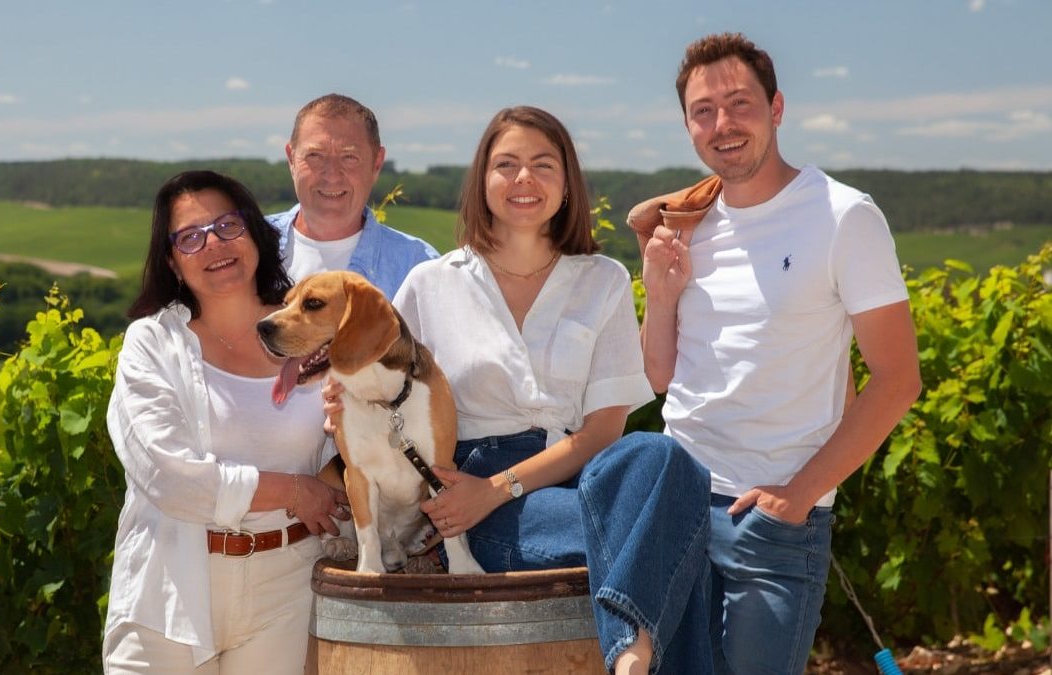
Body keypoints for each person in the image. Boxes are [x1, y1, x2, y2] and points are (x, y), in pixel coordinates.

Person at [389, 106, 713, 674]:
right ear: (481, 181)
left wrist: (500, 487)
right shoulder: (431, 285)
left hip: (579, 471)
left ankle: (628, 654)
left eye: (543, 164)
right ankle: (635, 654)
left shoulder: (602, 278)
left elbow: (604, 431)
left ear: (567, 186)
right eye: (506, 164)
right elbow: (386, 396)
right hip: (472, 488)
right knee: (677, 537)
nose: (524, 179)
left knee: (664, 457)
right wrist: (478, 493)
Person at [638, 33, 922, 673]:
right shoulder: (687, 222)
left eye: (740, 103)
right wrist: (660, 294)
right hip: (676, 503)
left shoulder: (843, 217)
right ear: (687, 125)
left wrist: (799, 497)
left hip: (771, 522)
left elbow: (899, 378)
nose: (723, 124)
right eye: (703, 111)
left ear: (777, 107)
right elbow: (660, 376)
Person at [102, 170, 350, 673]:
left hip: (290, 588)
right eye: (190, 237)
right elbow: (169, 477)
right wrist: (292, 491)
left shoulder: (317, 333)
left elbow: (352, 455)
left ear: (256, 232)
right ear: (172, 261)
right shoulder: (152, 344)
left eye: (227, 225)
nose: (214, 243)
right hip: (169, 589)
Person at [267, 93, 438, 296]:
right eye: (315, 155)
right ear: (291, 159)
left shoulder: (419, 267)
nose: (332, 175)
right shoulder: (248, 247)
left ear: (376, 164)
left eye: (349, 157)